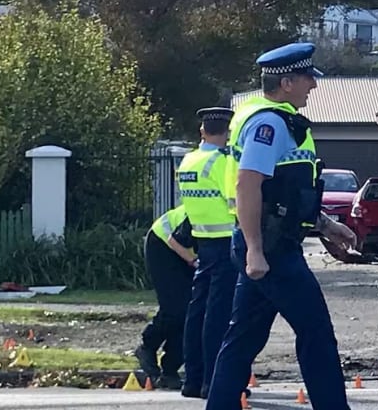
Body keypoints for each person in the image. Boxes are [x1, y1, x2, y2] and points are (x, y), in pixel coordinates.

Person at [205, 42, 358, 410]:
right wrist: (256, 251)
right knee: (316, 332)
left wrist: (325, 225)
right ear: (287, 82)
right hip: (271, 249)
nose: (314, 85)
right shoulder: (269, 123)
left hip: (269, 242)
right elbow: (248, 183)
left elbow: (285, 195)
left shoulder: (280, 120)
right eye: (308, 78)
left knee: (242, 340)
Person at [178, 107, 237, 400]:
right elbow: (235, 202)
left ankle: (193, 379)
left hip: (202, 241)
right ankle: (214, 382)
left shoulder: (189, 160)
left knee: (197, 310)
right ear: (228, 133)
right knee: (219, 314)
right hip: (227, 242)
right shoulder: (223, 163)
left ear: (202, 131)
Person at [135, 204, 197, 390]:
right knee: (177, 308)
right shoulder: (205, 210)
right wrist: (192, 260)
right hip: (164, 244)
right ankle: (148, 346)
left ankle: (170, 369)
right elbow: (173, 239)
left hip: (191, 254)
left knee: (194, 312)